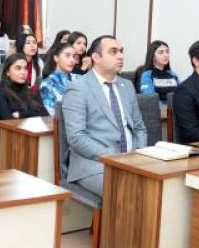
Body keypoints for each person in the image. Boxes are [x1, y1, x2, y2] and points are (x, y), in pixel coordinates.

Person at [62, 35, 147, 199]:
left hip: (132, 159)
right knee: (130, 190)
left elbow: (139, 128)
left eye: (121, 51)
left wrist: (139, 155)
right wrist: (114, 158)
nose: (120, 56)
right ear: (96, 58)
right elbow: (76, 137)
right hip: (95, 164)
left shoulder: (127, 86)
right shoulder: (78, 88)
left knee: (164, 184)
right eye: (113, 52)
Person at [0, 55, 49, 120]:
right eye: (18, 68)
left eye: (25, 68)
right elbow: (8, 121)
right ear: (7, 72)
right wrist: (33, 113)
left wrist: (21, 114)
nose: (23, 72)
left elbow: (45, 113)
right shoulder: (0, 94)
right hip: (14, 129)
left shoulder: (31, 91)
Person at [39, 41, 79, 114]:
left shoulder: (79, 79)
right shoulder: (47, 84)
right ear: (56, 58)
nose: (72, 60)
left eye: (74, 56)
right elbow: (52, 113)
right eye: (67, 55)